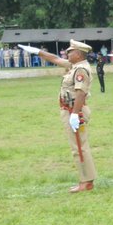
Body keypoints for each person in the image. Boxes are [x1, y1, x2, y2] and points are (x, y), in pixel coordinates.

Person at [19, 40, 97, 192]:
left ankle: (86, 182)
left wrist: (74, 114)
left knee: (79, 148)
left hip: (75, 110)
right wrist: (36, 51)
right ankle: (85, 179)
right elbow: (54, 58)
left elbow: (81, 93)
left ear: (79, 54)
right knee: (78, 146)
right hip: (69, 109)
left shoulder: (81, 69)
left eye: (70, 51)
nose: (67, 54)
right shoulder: (73, 66)